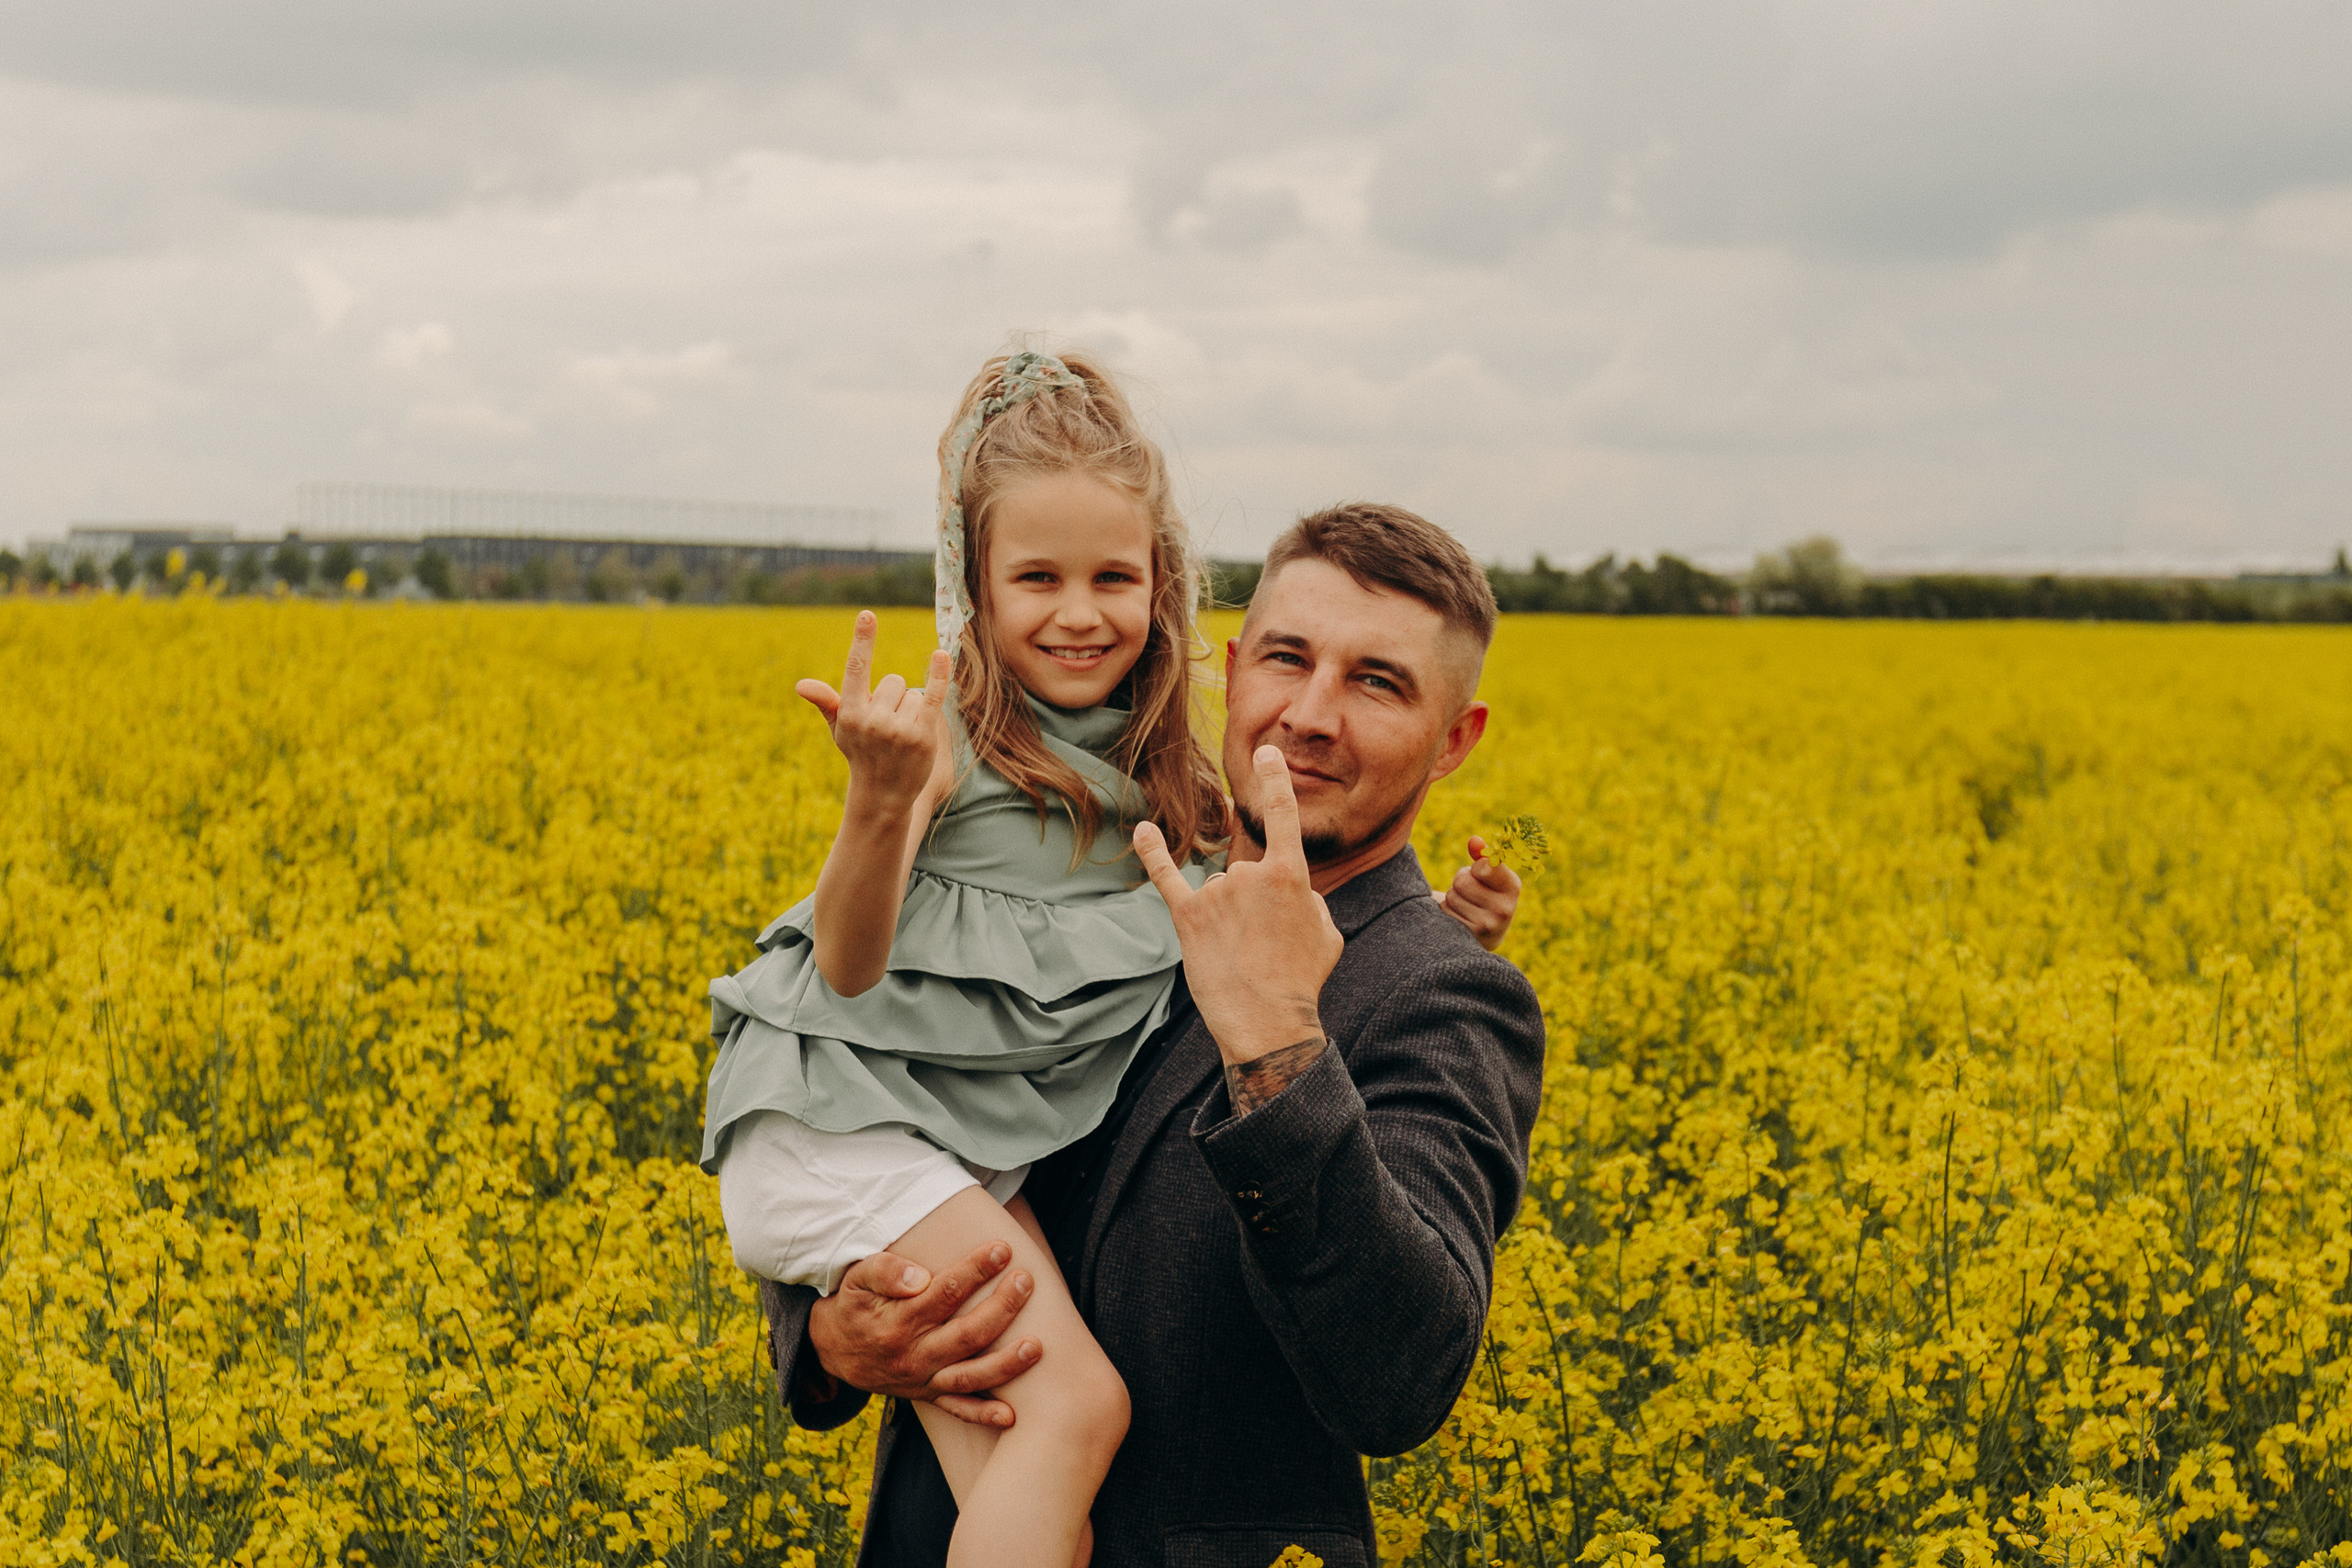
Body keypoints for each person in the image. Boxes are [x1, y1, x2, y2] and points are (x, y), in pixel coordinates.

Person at [699, 354, 1517, 1568]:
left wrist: (1284, 1041)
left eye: (1379, 684)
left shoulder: (1443, 987)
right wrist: (827, 1336)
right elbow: (893, 1092)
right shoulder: (1119, 860)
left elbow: (1399, 1377)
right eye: (1288, 659)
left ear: (1455, 742)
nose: (1312, 714)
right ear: (1228, 670)